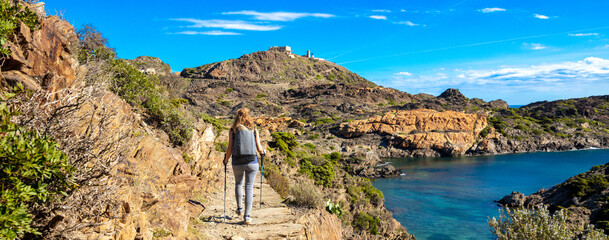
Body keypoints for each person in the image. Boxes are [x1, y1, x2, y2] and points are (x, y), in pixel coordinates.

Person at [223, 108, 265, 224]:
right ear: (248, 116)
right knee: (249, 187)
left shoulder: (232, 130)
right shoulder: (253, 130)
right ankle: (247, 216)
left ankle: (239, 209)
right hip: (252, 162)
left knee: (238, 184)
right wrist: (263, 152)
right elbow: (259, 148)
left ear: (237, 116)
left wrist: (225, 160)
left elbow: (230, 148)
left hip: (237, 162)